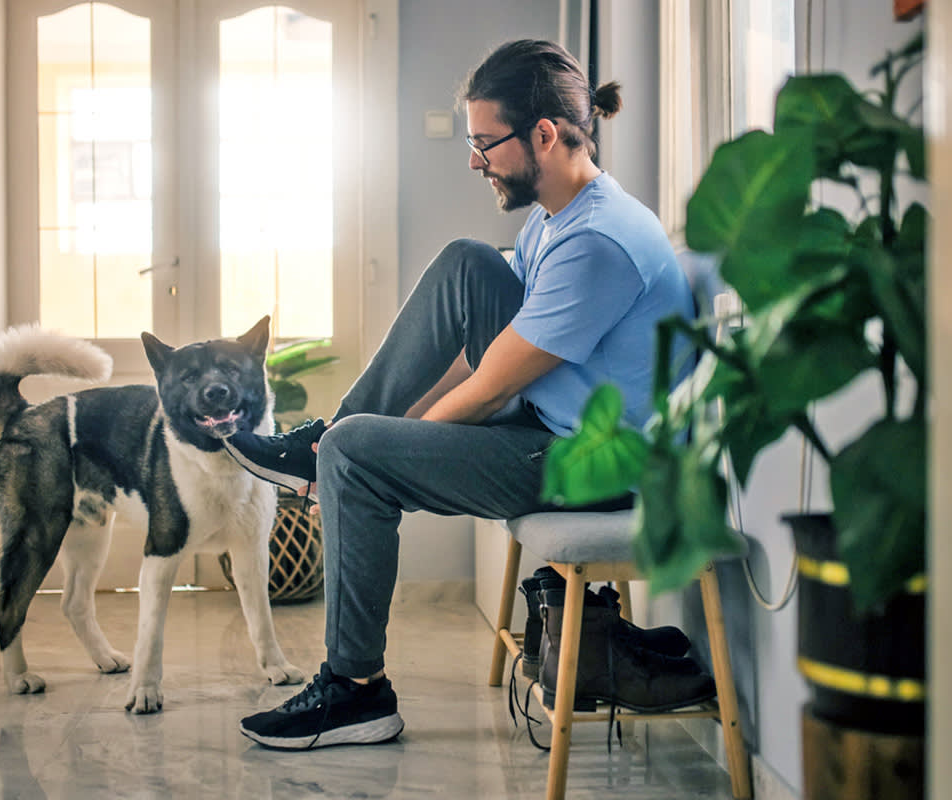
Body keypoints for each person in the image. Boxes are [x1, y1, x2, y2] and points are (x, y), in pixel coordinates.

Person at [225, 38, 696, 751]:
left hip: (599, 468)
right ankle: (324, 440)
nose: (474, 160)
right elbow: (474, 361)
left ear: (544, 134)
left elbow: (486, 390)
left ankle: (356, 691)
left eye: (485, 143)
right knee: (468, 264)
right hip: (556, 425)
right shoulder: (554, 217)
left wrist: (369, 454)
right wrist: (379, 433)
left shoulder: (598, 241)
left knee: (355, 454)